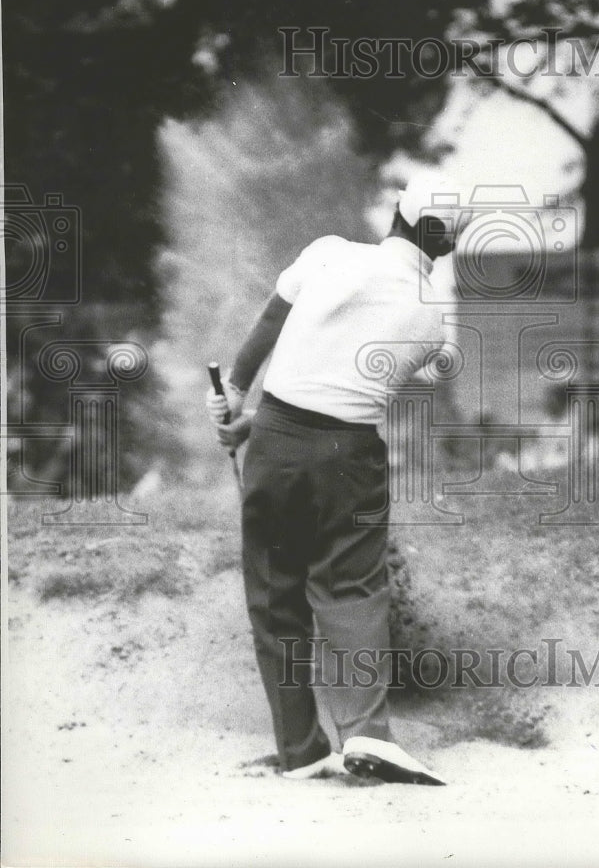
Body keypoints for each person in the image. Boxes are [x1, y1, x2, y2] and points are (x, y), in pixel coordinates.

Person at [206, 174, 466, 785]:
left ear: (396, 215)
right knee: (349, 590)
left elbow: (271, 334)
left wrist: (237, 407)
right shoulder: (432, 318)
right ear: (448, 243)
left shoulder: (326, 252)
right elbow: (352, 382)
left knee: (274, 598)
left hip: (274, 443)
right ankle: (368, 735)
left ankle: (301, 752)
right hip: (349, 456)